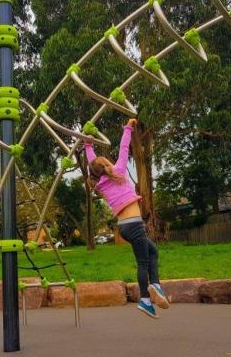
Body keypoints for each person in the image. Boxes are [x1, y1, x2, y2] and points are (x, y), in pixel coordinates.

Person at [84, 118, 169, 318]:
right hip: (134, 225)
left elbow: (92, 163)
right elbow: (124, 147)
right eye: (106, 161)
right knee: (143, 261)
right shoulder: (119, 171)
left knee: (153, 251)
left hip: (124, 227)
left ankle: (155, 285)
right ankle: (145, 300)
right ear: (106, 165)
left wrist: (88, 144)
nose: (110, 162)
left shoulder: (99, 184)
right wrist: (128, 127)